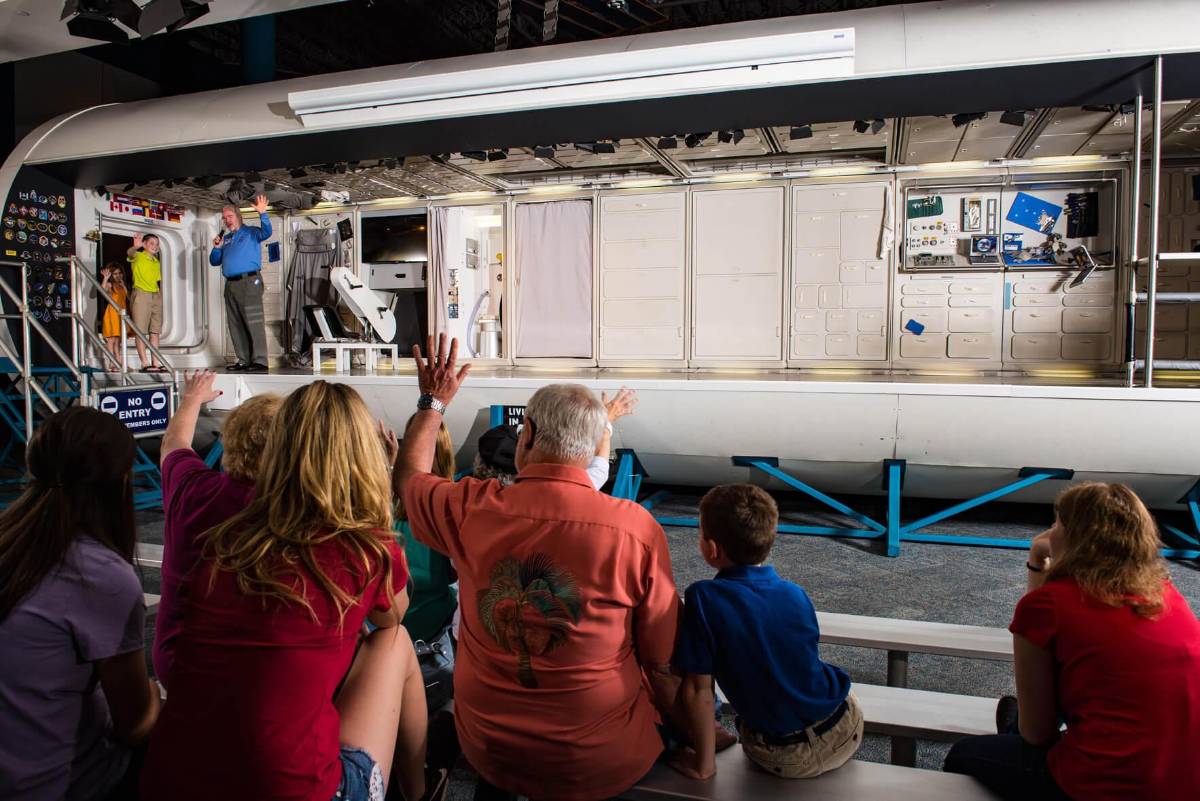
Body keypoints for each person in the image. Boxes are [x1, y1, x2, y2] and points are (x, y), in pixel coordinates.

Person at [395, 335, 681, 801]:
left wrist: (433, 402)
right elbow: (662, 660)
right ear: (593, 450)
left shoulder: (471, 510)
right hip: (601, 758)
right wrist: (695, 732)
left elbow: (410, 479)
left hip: (491, 748)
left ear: (526, 434)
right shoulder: (635, 530)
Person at [141, 381, 427, 801]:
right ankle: (420, 790)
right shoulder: (363, 550)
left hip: (171, 778)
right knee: (393, 641)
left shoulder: (226, 538)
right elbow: (394, 614)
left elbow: (173, 447)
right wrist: (378, 508)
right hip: (296, 787)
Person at [943, 482, 1200, 800]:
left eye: (1057, 523)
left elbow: (1038, 734)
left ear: (1075, 538)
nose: (1050, 532)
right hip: (1188, 780)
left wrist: (1037, 559)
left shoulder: (1050, 605)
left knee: (964, 754)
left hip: (1111, 784)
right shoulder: (1166, 594)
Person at [0, 407, 161, 801]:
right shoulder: (100, 577)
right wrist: (156, 692)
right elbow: (135, 724)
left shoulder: (11, 544)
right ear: (121, 481)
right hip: (59, 784)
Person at [670, 484, 861, 781]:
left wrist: (703, 765)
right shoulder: (795, 593)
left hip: (784, 755)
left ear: (711, 548)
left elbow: (699, 691)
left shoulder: (704, 598)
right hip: (846, 726)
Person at [153, 370, 281, 688]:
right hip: (252, 670)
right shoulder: (285, 510)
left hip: (176, 662)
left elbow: (173, 443)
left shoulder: (190, 486)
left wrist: (193, 397)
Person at [209, 194, 272, 373]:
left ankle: (260, 360)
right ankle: (244, 359)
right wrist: (216, 247)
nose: (226, 220)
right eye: (224, 218)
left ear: (238, 216)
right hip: (231, 284)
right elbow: (214, 261)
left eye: (230, 216)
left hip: (249, 281)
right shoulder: (226, 239)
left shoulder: (251, 232)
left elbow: (267, 232)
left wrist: (263, 214)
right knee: (235, 323)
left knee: (253, 320)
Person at [127, 233, 166, 372]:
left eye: (157, 244)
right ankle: (144, 362)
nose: (155, 246)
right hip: (141, 293)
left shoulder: (156, 261)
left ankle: (156, 361)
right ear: (144, 244)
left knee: (155, 331)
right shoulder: (138, 255)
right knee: (140, 330)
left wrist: (159, 295)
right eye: (151, 243)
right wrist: (135, 247)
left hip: (155, 294)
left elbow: (156, 280)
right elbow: (130, 253)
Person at [100, 262, 128, 368]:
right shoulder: (109, 285)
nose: (118, 276)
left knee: (118, 340)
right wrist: (105, 278)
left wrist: (124, 286)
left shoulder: (122, 285)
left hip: (122, 313)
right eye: (115, 274)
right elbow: (102, 290)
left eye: (120, 273)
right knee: (111, 339)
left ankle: (118, 361)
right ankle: (112, 363)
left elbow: (128, 298)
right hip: (112, 314)